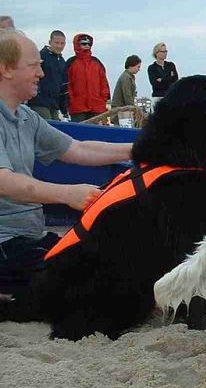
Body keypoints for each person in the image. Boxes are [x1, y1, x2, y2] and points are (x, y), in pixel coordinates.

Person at [0, 29, 132, 300]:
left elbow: (78, 148)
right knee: (85, 284)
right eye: (34, 65)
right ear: (6, 69)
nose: (42, 73)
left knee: (106, 261)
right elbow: (3, 181)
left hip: (31, 237)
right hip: (5, 242)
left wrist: (140, 148)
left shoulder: (26, 116)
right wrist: (66, 193)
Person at [65, 33, 110, 122]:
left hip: (97, 107)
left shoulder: (97, 63)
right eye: (83, 43)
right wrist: (72, 101)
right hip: (78, 108)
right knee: (78, 134)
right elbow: (67, 84)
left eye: (89, 44)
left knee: (95, 135)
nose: (87, 46)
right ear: (77, 44)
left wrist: (102, 100)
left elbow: (104, 83)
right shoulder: (71, 63)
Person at [27, 30, 68, 120]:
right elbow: (31, 75)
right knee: (47, 127)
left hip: (54, 103)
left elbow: (63, 85)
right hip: (39, 101)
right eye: (57, 43)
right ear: (50, 42)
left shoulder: (62, 61)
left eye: (62, 43)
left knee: (55, 128)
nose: (59, 46)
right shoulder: (41, 56)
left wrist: (64, 109)